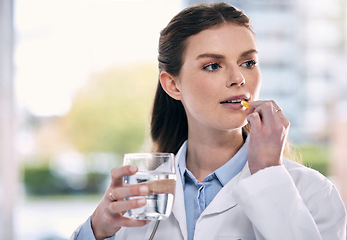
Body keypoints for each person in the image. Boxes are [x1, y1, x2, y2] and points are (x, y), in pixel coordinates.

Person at [71, 2, 347, 240]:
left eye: (248, 62)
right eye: (213, 65)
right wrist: (96, 229)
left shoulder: (312, 192)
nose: (238, 78)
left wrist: (267, 176)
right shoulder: (142, 195)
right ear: (172, 86)